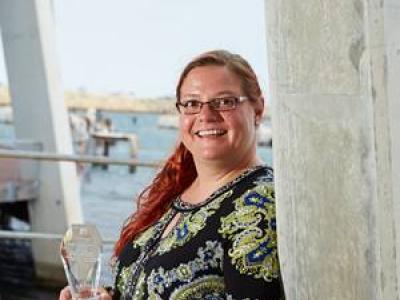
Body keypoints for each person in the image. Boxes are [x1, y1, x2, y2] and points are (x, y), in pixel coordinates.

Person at [59, 49, 284, 300]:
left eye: (224, 101)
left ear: (258, 109)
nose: (206, 116)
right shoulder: (179, 191)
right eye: (192, 104)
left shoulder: (261, 204)